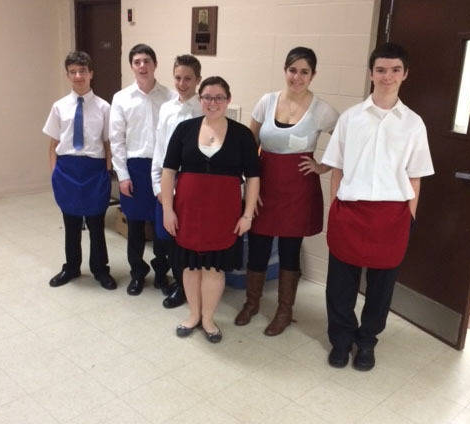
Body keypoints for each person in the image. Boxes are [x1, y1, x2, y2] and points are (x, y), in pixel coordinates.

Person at [321, 42, 434, 371]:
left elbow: (415, 177)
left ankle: (367, 341)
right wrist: (335, 209)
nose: (388, 76)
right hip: (350, 212)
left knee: (381, 290)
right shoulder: (350, 118)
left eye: (395, 70)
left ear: (405, 74)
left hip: (392, 216)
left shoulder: (413, 124)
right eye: (381, 70)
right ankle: (341, 340)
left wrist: (409, 217)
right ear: (371, 73)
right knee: (340, 286)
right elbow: (337, 169)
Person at [234, 46, 339, 336]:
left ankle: (284, 311)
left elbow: (345, 139)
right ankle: (252, 303)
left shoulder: (322, 110)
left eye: (304, 72)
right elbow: (250, 143)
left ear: (313, 75)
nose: (297, 77)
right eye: (293, 70)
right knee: (258, 246)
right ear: (285, 70)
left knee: (290, 251)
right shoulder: (266, 102)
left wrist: (323, 166)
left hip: (298, 192)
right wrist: (248, 184)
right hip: (264, 186)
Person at [161, 76, 260, 343]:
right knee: (191, 266)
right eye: (207, 97)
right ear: (200, 99)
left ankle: (208, 318)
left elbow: (253, 177)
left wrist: (247, 214)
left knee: (214, 268)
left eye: (218, 97)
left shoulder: (242, 135)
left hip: (223, 214)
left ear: (228, 100)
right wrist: (168, 209)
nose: (212, 102)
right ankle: (193, 315)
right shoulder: (184, 129)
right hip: (187, 211)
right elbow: (168, 171)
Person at [42, 51, 117, 290]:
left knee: (96, 225)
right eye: (73, 72)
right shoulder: (59, 107)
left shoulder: (104, 107)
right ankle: (72, 267)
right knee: (71, 224)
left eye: (82, 71)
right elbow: (53, 144)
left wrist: (107, 173)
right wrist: (55, 174)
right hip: (67, 171)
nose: (78, 76)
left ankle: (100, 269)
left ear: (91, 73)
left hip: (94, 170)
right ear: (67, 75)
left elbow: (108, 144)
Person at [109, 44, 175, 296]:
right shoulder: (121, 98)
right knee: (135, 227)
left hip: (163, 169)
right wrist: (122, 176)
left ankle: (161, 274)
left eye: (147, 60)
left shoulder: (169, 97)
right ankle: (137, 273)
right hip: (134, 168)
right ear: (132, 66)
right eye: (137, 62)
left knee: (161, 227)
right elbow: (116, 140)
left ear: (155, 64)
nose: (142, 66)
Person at [151, 54, 203, 308]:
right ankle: (177, 281)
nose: (182, 84)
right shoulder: (167, 108)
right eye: (178, 78)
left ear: (198, 80)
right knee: (167, 237)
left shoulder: (203, 110)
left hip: (193, 184)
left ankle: (187, 288)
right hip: (167, 182)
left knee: (189, 239)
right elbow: (159, 149)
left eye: (188, 79)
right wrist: (157, 186)